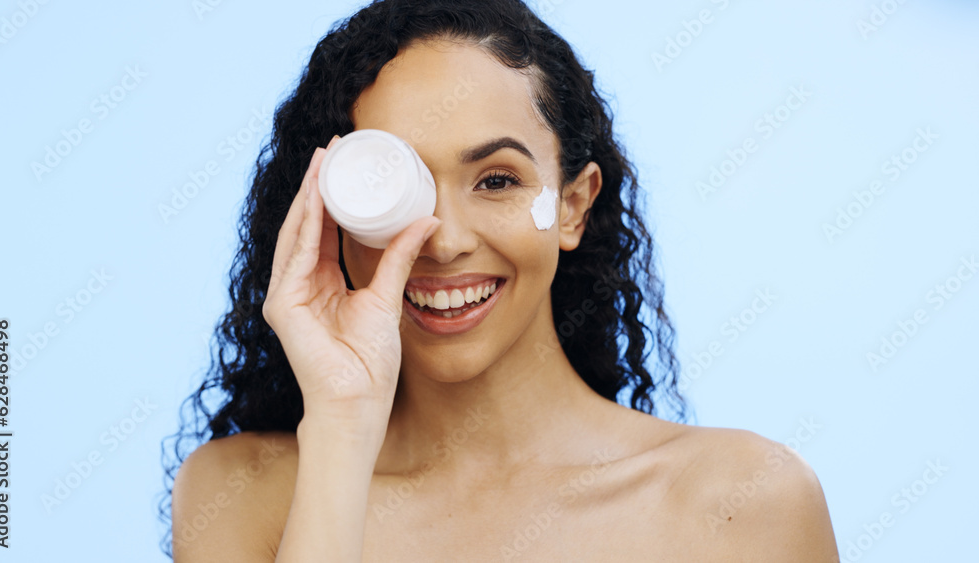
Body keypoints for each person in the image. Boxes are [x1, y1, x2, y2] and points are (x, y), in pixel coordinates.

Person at [160, 0, 839, 560]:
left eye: (496, 181)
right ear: (332, 209)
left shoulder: (744, 503)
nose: (446, 240)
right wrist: (341, 420)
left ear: (573, 204)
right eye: (399, 189)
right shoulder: (241, 491)